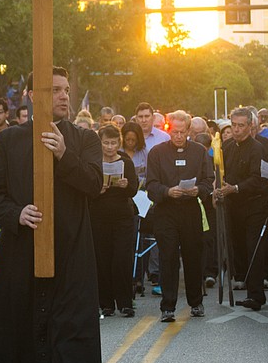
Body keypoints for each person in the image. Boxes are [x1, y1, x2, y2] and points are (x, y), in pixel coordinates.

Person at [0, 67, 102, 363]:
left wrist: (65, 155)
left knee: (71, 328)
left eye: (66, 89)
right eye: (54, 90)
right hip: (21, 250)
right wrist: (15, 213)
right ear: (32, 95)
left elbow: (94, 184)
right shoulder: (9, 141)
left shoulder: (85, 139)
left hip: (72, 250)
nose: (63, 96)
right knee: (25, 324)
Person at [146, 110, 213, 321]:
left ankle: (196, 302)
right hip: (166, 211)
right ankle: (168, 307)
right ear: (168, 129)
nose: (178, 136)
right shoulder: (157, 153)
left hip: (190, 209)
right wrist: (167, 191)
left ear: (188, 130)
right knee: (168, 257)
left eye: (182, 132)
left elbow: (208, 179)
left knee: (193, 256)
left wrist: (199, 190)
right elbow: (151, 185)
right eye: (175, 132)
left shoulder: (199, 152)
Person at [214, 107, 268, 304]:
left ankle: (256, 294)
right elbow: (220, 173)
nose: (236, 130)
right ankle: (242, 280)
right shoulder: (227, 146)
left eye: (241, 126)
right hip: (232, 205)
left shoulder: (257, 148)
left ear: (250, 126)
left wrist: (235, 188)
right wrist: (218, 189)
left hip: (253, 205)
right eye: (233, 125)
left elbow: (258, 179)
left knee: (253, 248)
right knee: (237, 246)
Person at [91, 123, 138, 318]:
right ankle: (106, 303)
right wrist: (97, 189)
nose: (110, 147)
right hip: (100, 216)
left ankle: (125, 302)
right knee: (103, 259)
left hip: (122, 216)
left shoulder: (126, 161)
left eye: (113, 143)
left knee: (122, 259)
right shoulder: (93, 162)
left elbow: (134, 189)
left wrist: (126, 185)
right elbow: (86, 189)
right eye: (106, 143)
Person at [120, 122, 147, 188]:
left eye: (133, 140)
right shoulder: (118, 151)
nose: (130, 143)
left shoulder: (144, 153)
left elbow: (149, 177)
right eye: (127, 140)